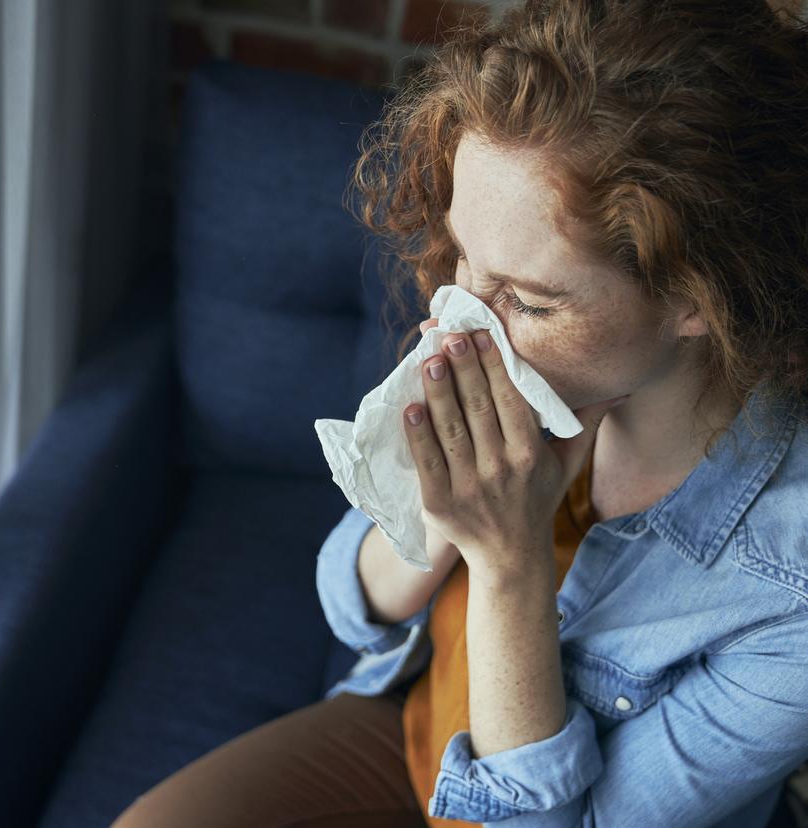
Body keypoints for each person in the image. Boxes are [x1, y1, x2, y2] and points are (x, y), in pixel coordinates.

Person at [110, 0, 808, 825]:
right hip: (410, 735)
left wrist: (509, 557)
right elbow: (353, 599)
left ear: (700, 297)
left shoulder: (786, 598)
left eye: (527, 299)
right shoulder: (529, 359)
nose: (458, 317)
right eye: (467, 260)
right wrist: (442, 513)